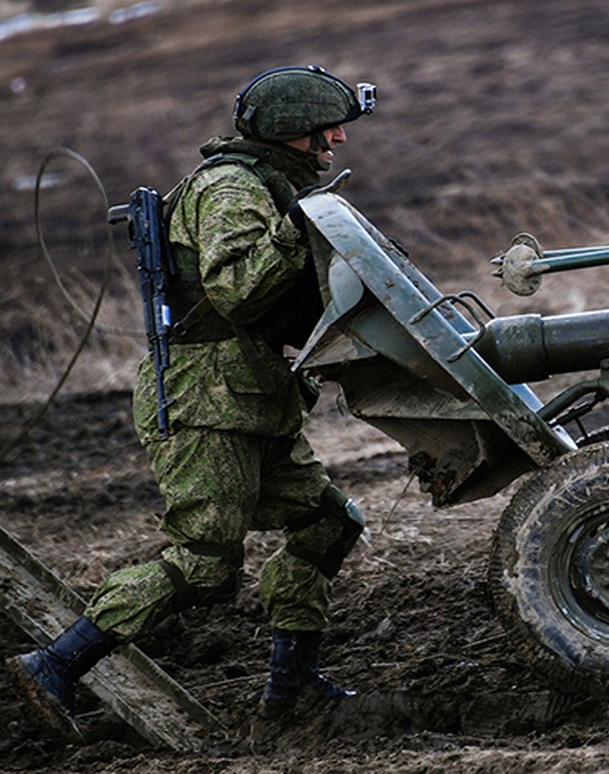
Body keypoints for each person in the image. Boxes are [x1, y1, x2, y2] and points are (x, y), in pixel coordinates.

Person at [6, 65, 377, 734]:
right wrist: (296, 229)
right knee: (205, 563)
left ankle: (290, 692)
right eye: (329, 130)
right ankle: (55, 665)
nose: (338, 143)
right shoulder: (231, 189)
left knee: (328, 522)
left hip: (253, 396)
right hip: (206, 400)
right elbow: (237, 289)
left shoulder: (268, 184)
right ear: (293, 135)